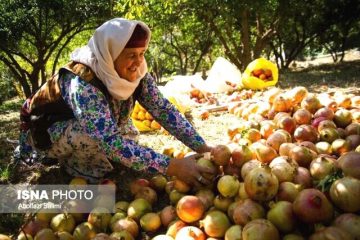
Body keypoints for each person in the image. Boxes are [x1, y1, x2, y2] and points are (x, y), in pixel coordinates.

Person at [18, 18, 215, 186]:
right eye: (131, 55)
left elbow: (163, 109)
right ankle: (76, 166)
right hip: (46, 130)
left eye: (142, 53)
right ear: (111, 55)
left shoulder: (137, 72)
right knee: (93, 139)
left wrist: (201, 147)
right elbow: (109, 141)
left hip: (93, 125)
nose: (138, 62)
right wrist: (172, 166)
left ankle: (94, 159)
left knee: (125, 135)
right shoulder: (81, 82)